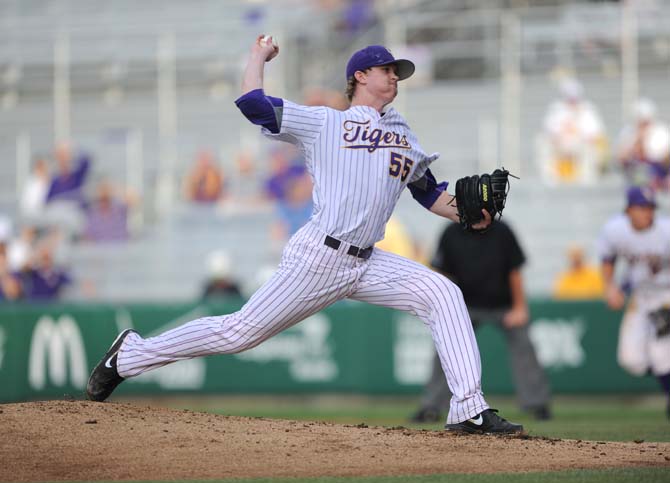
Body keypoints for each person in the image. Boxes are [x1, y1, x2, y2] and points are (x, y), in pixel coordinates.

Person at [86, 37, 523, 435]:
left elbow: (429, 195)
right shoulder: (324, 124)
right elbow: (252, 102)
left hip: (368, 261)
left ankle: (468, 409)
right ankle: (130, 355)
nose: (395, 76)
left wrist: (470, 215)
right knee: (240, 333)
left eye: (398, 71)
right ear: (360, 76)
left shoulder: (403, 133)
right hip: (321, 256)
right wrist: (257, 57)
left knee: (443, 294)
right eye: (387, 69)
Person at [410, 220, 551, 423]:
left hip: (503, 305)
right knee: (445, 349)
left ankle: (538, 403)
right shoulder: (451, 232)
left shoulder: (502, 230)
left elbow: (515, 270)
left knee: (524, 346)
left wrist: (520, 307)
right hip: (464, 306)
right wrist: (442, 309)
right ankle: (431, 406)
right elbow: (442, 273)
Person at [599, 186, 670, 420]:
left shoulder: (665, 230)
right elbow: (608, 259)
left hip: (665, 293)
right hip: (640, 296)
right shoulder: (615, 230)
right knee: (631, 360)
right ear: (629, 209)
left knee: (661, 356)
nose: (647, 213)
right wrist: (610, 288)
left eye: (650, 208)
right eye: (642, 207)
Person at [537, 78, 607, 185]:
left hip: (580, 143)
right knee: (542, 142)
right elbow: (549, 129)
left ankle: (586, 179)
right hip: (560, 143)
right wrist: (560, 135)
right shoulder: (556, 109)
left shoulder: (588, 110)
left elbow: (594, 132)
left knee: (591, 147)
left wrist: (577, 133)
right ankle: (549, 178)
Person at [617, 98, 670, 191]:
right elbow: (621, 158)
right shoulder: (628, 132)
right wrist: (638, 140)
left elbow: (664, 158)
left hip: (657, 172)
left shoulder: (662, 132)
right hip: (634, 172)